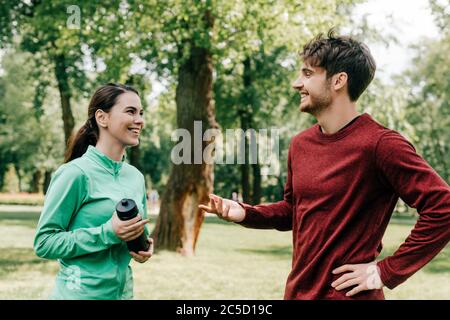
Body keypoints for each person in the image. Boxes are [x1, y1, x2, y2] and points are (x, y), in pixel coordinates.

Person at [199, 30, 450, 300]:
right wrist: (245, 213)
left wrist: (386, 271)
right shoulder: (300, 144)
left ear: (339, 80)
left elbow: (443, 207)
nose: (297, 83)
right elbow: (293, 211)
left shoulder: (381, 145)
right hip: (297, 293)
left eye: (308, 74)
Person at [34, 83, 153, 300]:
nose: (139, 120)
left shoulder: (135, 177)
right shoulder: (75, 173)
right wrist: (108, 232)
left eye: (141, 113)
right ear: (102, 118)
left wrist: (142, 245)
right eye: (130, 111)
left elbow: (133, 231)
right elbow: (44, 243)